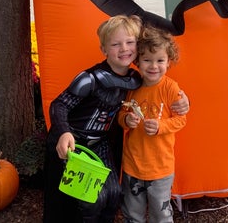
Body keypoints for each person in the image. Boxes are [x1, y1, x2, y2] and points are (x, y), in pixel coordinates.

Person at [43, 15, 189, 223]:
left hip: (101, 145)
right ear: (104, 49)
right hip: (74, 143)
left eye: (130, 42)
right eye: (115, 44)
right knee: (91, 199)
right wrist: (64, 131)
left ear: (137, 47)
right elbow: (59, 104)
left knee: (113, 194)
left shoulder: (135, 80)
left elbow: (160, 90)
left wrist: (184, 101)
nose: (124, 49)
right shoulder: (90, 79)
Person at [118, 25, 186, 223]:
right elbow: (121, 114)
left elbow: (181, 119)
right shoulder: (132, 86)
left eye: (160, 60)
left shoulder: (170, 88)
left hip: (161, 168)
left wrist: (160, 127)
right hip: (132, 165)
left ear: (168, 61)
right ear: (137, 61)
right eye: (147, 60)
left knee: (161, 215)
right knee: (132, 214)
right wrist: (126, 120)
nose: (153, 66)